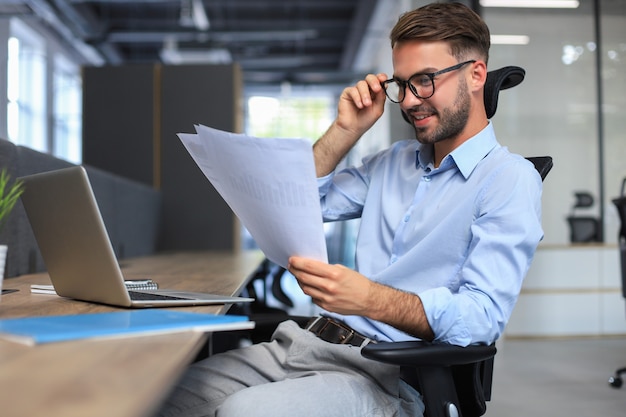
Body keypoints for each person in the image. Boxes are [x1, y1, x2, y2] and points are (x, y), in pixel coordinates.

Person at [158, 2, 543, 416]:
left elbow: (481, 317)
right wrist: (346, 130)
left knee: (244, 412)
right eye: (402, 84)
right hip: (306, 344)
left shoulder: (509, 179)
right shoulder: (393, 162)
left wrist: (368, 299)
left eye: (425, 81)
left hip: (388, 375)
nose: (410, 101)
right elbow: (300, 203)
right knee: (157, 396)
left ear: (476, 75)